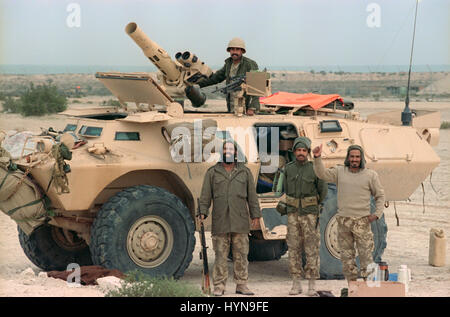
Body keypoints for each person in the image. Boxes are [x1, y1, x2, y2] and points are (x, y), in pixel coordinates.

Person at [312, 144, 385, 290]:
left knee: (367, 259)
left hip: (362, 222)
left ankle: (369, 290)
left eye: (357, 157)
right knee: (347, 260)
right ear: (348, 158)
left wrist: (376, 214)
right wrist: (317, 157)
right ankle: (352, 289)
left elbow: (380, 195)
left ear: (361, 158)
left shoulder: (370, 175)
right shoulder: (340, 171)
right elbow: (322, 174)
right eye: (352, 156)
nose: (354, 159)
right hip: (344, 223)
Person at [198, 140, 261, 296]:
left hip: (240, 220)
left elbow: (252, 197)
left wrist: (256, 215)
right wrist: (202, 212)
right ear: (222, 152)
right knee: (220, 255)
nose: (228, 152)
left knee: (241, 255)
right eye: (225, 149)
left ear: (236, 153)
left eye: (231, 149)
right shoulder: (212, 172)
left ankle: (242, 285)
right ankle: (219, 285)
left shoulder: (245, 172)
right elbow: (205, 195)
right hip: (220, 220)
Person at [277, 137, 327, 296]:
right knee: (293, 248)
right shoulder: (289, 168)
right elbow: (284, 187)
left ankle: (311, 284)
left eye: (304, 150)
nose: (301, 153)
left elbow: (323, 190)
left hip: (309, 214)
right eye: (298, 150)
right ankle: (296, 283)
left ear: (307, 152)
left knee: (311, 248)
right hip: (293, 214)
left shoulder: (314, 168)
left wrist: (316, 205)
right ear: (294, 152)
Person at [197, 37, 260, 115]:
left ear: (242, 51)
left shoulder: (250, 64)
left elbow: (257, 87)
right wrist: (197, 85)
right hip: (232, 105)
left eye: (237, 49)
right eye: (232, 49)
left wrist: (252, 107)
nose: (234, 52)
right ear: (229, 51)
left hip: (246, 106)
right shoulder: (228, 64)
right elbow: (215, 78)